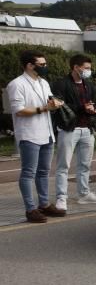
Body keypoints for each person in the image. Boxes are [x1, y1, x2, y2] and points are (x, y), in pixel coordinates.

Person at [5, 50, 65, 223]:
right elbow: (19, 110)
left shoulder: (43, 82)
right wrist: (45, 108)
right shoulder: (17, 84)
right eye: (42, 64)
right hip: (29, 134)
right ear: (30, 65)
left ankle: (44, 204)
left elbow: (48, 101)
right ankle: (30, 209)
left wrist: (55, 103)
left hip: (46, 133)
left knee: (44, 171)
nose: (45, 67)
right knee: (28, 172)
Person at [51, 54, 96, 211]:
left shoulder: (89, 85)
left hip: (87, 129)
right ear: (75, 67)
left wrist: (94, 110)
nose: (88, 71)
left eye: (89, 68)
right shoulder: (61, 84)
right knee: (63, 165)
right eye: (86, 68)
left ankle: (84, 194)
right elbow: (60, 106)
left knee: (85, 164)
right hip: (69, 129)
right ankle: (61, 197)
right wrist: (82, 108)